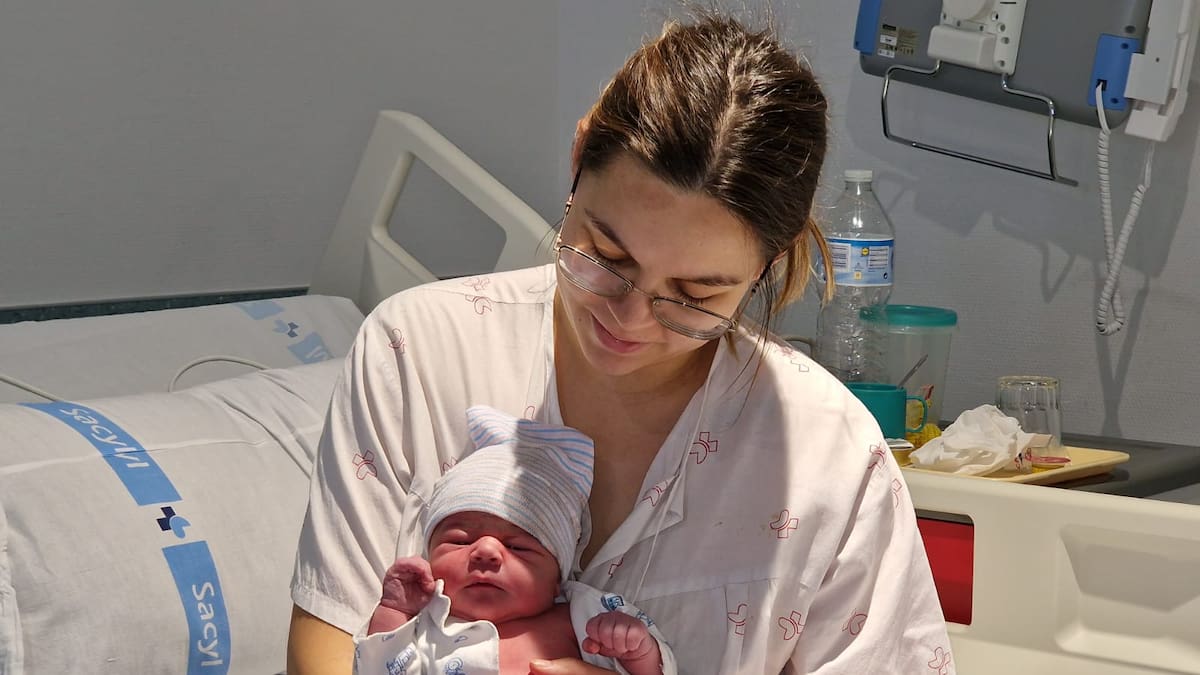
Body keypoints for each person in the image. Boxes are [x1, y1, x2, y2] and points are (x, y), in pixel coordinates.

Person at [289, 9, 955, 674]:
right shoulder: (419, 355)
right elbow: (326, 643)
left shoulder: (827, 456)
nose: (630, 320)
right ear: (580, 157)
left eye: (695, 295)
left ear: (768, 264)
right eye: (607, 256)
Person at [354, 405, 672, 675]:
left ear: (556, 578)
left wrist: (636, 650)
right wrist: (394, 611)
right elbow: (377, 667)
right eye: (460, 541)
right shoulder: (430, 622)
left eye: (518, 547)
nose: (486, 551)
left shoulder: (580, 613)